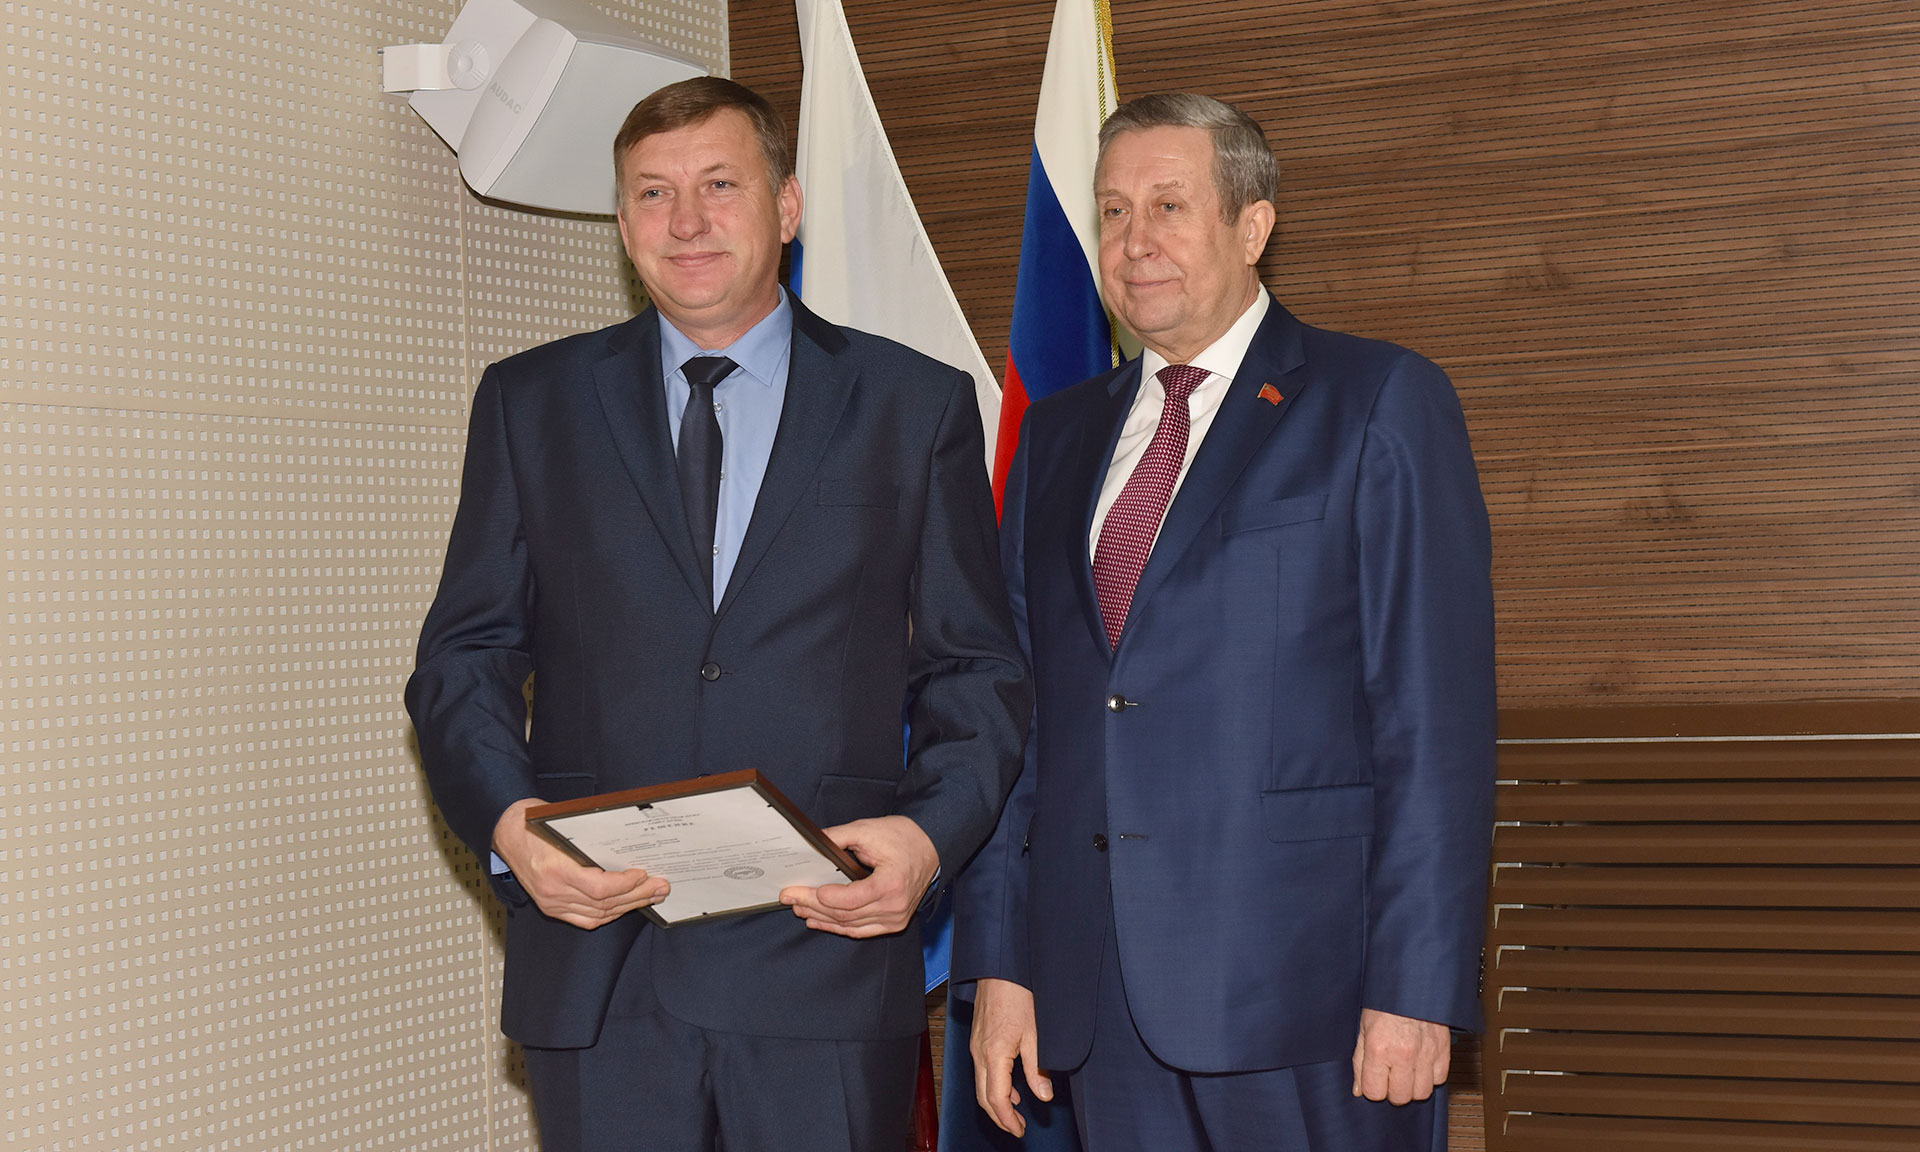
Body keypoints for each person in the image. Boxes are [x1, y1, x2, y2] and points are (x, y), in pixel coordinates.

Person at [405, 76, 1030, 1152]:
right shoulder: (530, 402)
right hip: (600, 964)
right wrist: (513, 828)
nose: (685, 221)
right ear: (623, 223)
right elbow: (463, 657)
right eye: (652, 192)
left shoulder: (911, 404)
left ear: (786, 208)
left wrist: (928, 841)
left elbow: (975, 670)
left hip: (824, 957)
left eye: (719, 185)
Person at [951, 92, 1496, 1151]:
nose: (1134, 241)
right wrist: (1004, 963)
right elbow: (1021, 725)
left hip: (1313, 995)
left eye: (1169, 205)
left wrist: (1417, 986)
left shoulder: (1377, 400)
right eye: (1114, 212)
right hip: (1097, 997)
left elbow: (1433, 725)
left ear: (1253, 226)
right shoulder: (1055, 436)